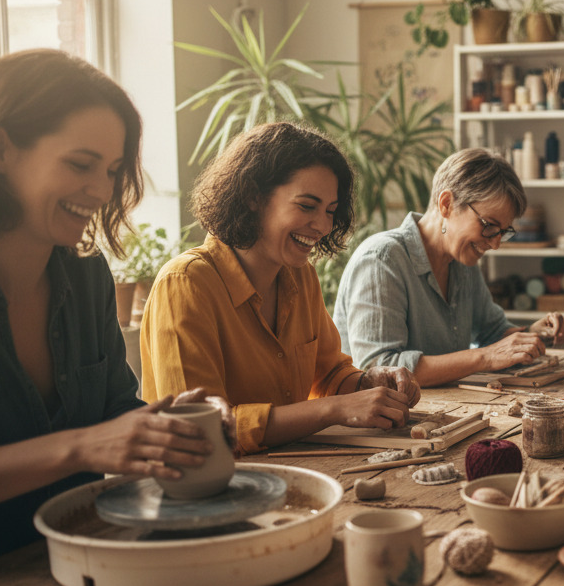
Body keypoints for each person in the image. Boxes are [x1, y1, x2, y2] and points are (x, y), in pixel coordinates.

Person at [0, 50, 217, 572]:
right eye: (80, 165)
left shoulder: (87, 275)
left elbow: (113, 413)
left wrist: (167, 429)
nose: (101, 190)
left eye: (113, 170)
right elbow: (88, 441)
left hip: (84, 552)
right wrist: (80, 447)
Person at [141, 123, 420, 454]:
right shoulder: (185, 284)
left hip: (294, 468)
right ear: (252, 196)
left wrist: (369, 383)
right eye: (307, 206)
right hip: (210, 488)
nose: (323, 226)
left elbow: (328, 377)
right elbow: (200, 429)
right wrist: (337, 409)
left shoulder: (301, 277)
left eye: (330, 211)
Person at [335, 148, 564, 387]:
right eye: (489, 226)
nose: (495, 243)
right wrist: (485, 357)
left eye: (503, 232)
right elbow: (378, 370)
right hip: (375, 420)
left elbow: (492, 333)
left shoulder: (461, 261)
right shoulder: (381, 260)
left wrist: (533, 335)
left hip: (439, 410)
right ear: (446, 204)